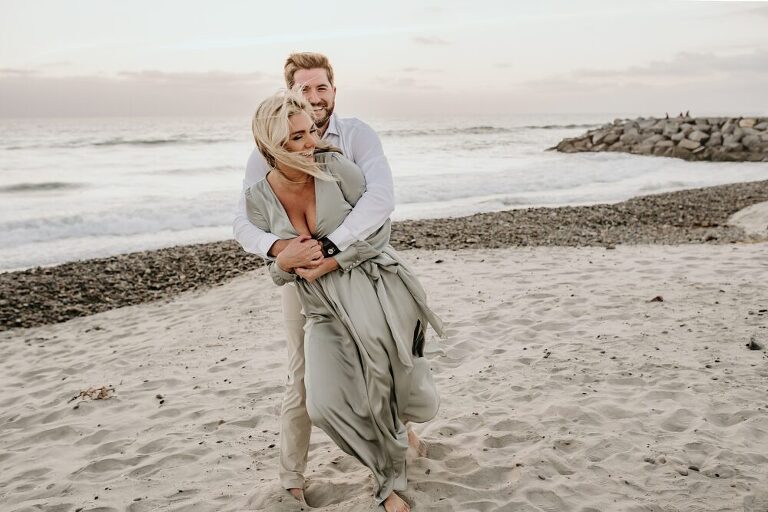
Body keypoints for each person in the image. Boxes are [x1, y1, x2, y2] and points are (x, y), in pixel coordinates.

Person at [245, 89, 442, 511]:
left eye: (310, 132)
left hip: (372, 289)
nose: (310, 143)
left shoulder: (334, 168)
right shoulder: (259, 199)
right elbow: (275, 269)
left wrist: (333, 258)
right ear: (269, 147)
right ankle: (383, 461)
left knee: (386, 387)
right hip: (319, 309)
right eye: (296, 139)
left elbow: (379, 230)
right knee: (323, 404)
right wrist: (286, 261)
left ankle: (387, 483)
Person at [232, 53, 400, 503]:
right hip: (303, 284)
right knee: (301, 377)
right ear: (290, 94)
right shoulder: (267, 145)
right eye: (303, 89)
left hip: (358, 267)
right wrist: (280, 253)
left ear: (333, 89)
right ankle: (291, 476)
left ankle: (397, 448)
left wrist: (333, 250)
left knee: (381, 362)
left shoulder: (355, 137)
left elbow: (380, 200)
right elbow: (246, 220)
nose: (314, 96)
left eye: (320, 87)